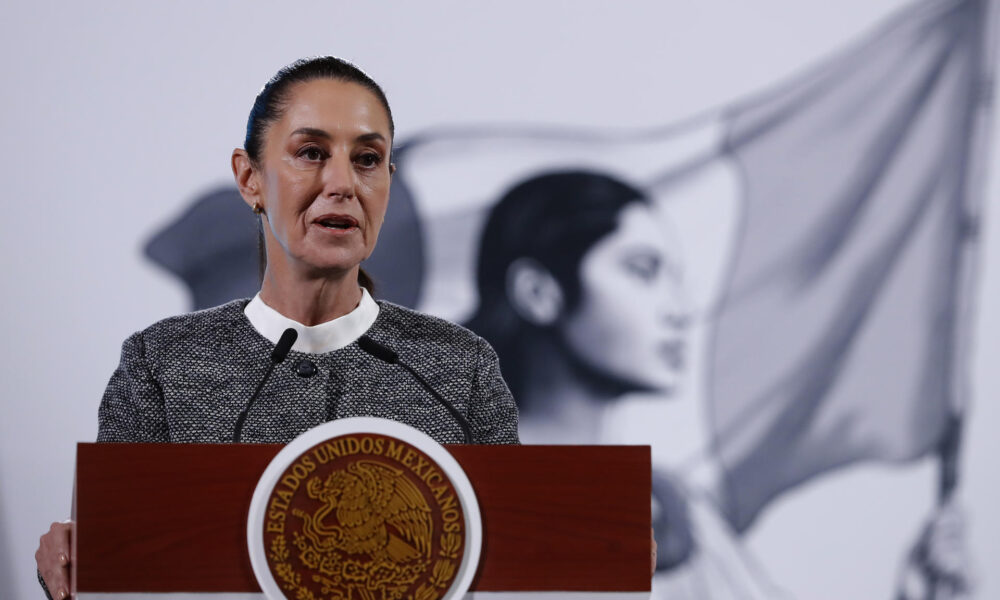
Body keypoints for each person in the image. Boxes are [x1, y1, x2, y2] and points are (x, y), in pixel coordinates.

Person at [35, 56, 519, 600]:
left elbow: (516, 553)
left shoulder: (458, 366)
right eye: (311, 153)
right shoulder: (162, 364)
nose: (342, 183)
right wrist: (73, 559)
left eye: (367, 159)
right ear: (249, 179)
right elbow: (117, 567)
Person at [465, 170, 797, 599]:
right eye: (643, 271)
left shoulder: (671, 506)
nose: (680, 310)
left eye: (675, 279)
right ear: (538, 292)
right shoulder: (440, 493)